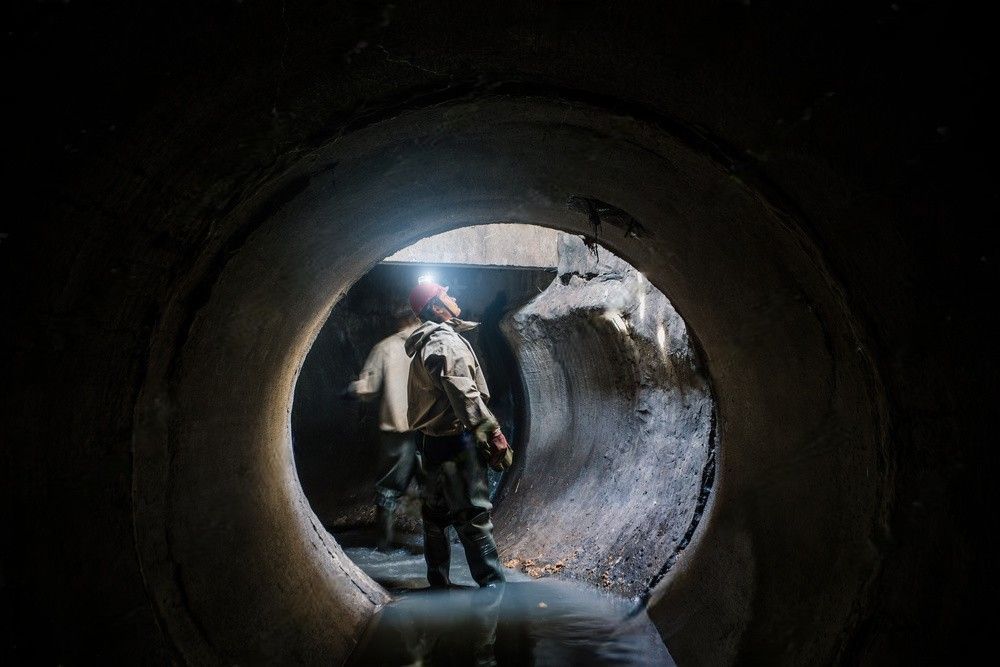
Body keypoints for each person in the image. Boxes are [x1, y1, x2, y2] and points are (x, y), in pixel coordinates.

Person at [404, 281, 513, 589]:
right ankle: (495, 592)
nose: (454, 296)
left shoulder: (432, 340)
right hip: (454, 442)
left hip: (429, 441)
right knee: (475, 516)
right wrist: (492, 433)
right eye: (446, 295)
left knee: (436, 515)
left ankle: (439, 586)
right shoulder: (445, 344)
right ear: (437, 308)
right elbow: (465, 395)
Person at [347, 305, 421, 551]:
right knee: (438, 487)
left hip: (397, 429)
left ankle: (384, 546)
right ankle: (444, 548)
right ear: (417, 317)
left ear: (396, 321)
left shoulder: (385, 347)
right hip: (433, 428)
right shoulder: (435, 340)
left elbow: (367, 388)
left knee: (389, 489)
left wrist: (350, 390)